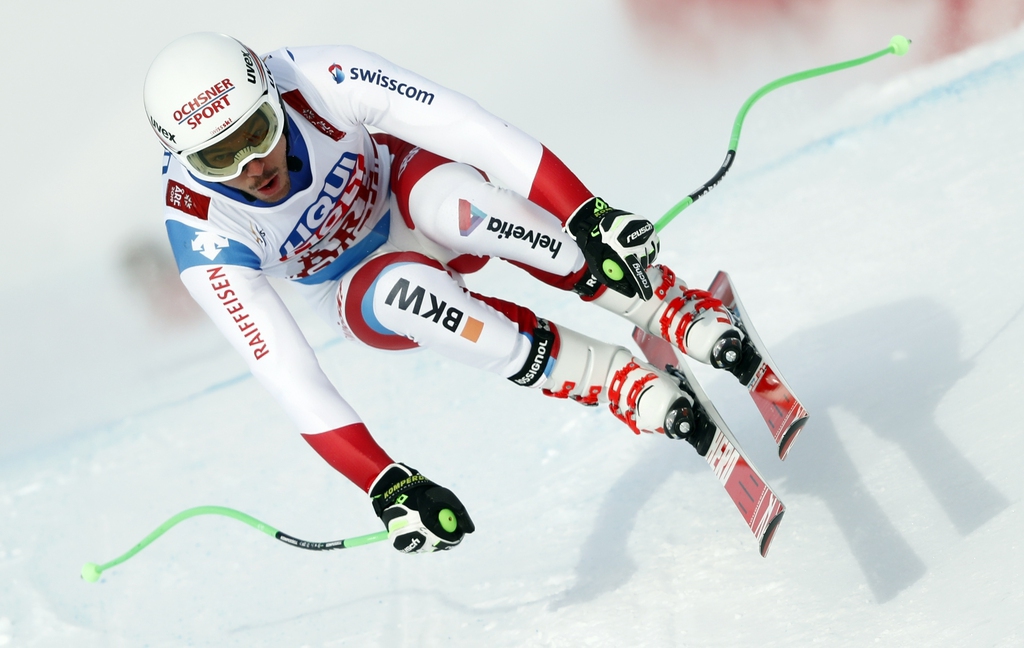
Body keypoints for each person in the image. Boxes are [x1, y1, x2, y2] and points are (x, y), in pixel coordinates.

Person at [143, 32, 747, 554]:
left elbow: (472, 127)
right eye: (221, 158)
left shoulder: (317, 77)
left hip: (404, 190)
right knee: (415, 300)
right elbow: (287, 374)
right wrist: (385, 482)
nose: (252, 165)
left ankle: (661, 302)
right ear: (185, 158)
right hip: (353, 284)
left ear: (275, 97)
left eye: (258, 131)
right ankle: (614, 380)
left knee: (475, 210)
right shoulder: (202, 232)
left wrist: (584, 212)